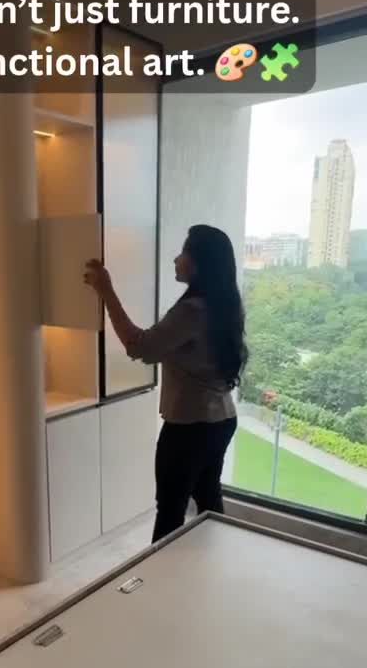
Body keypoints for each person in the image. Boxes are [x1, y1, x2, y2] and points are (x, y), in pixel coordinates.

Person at [84, 224, 247, 543]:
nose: (176, 258)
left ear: (200, 263)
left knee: (170, 510)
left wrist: (106, 291)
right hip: (222, 419)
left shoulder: (192, 310)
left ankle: (160, 572)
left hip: (190, 427)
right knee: (209, 499)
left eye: (184, 252)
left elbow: (138, 346)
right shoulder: (224, 305)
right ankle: (212, 564)